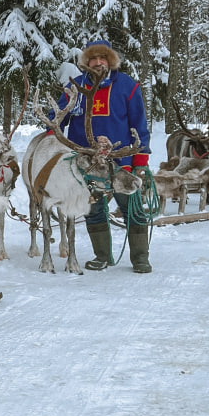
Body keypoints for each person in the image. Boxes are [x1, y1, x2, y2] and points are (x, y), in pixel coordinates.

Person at [59, 39, 153, 273]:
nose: (98, 63)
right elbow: (59, 117)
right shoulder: (76, 87)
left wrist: (140, 160)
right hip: (87, 164)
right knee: (94, 209)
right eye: (93, 58)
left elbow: (140, 125)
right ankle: (102, 255)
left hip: (121, 162)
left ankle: (140, 257)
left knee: (132, 208)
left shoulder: (127, 86)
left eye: (103, 58)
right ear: (86, 62)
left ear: (110, 60)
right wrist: (51, 134)